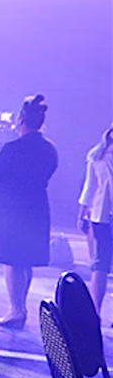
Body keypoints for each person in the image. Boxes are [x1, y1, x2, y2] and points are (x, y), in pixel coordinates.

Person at [0, 94, 58, 328]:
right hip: (37, 207)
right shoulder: (49, 149)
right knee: (25, 260)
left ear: (21, 120)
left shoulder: (13, 148)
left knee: (12, 260)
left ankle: (16, 310)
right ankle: (20, 307)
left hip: (13, 210)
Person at [78, 124, 113, 317]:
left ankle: (95, 313)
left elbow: (89, 188)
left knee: (100, 263)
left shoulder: (96, 154)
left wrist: (81, 214)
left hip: (101, 214)